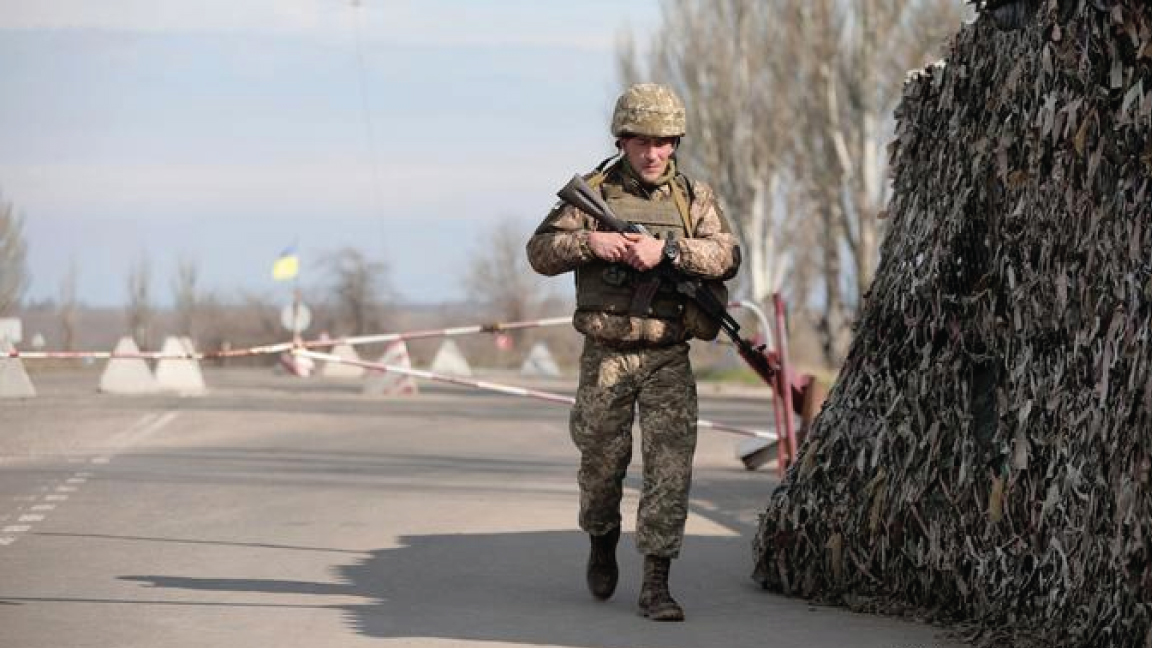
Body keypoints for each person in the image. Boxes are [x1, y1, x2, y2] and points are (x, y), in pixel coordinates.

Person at [526, 83, 741, 621]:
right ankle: (601, 539)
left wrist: (665, 250)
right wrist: (589, 244)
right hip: (606, 354)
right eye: (643, 142)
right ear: (622, 140)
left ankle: (657, 584)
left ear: (677, 143)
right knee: (601, 466)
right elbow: (539, 252)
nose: (654, 153)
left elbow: (727, 255)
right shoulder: (593, 195)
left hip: (667, 353)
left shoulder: (695, 199)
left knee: (670, 470)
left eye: (665, 142)